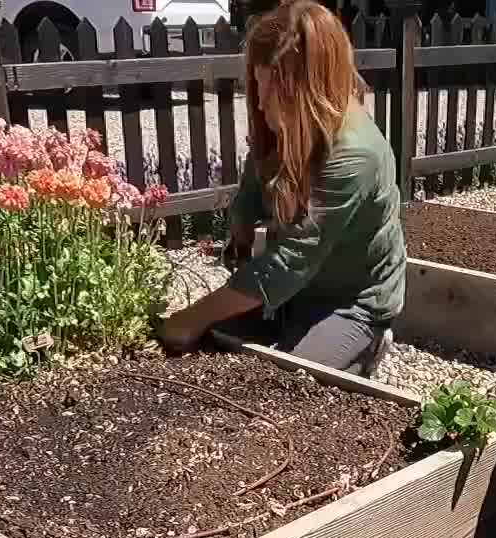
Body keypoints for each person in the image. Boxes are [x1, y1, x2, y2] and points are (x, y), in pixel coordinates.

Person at [158, 0, 405, 377]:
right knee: (216, 343)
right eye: (257, 86)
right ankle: (286, 318)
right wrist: (240, 223)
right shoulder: (289, 123)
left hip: (349, 299)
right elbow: (254, 178)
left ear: (312, 89)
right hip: (298, 287)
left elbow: (291, 260)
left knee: (291, 379)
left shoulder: (355, 154)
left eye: (273, 91)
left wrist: (190, 317)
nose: (260, 102)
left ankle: (370, 340)